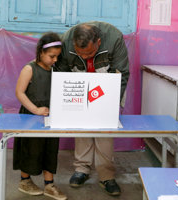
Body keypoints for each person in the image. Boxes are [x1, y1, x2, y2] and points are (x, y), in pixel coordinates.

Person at [54, 21, 130, 196]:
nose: (86, 57)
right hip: (79, 84)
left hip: (107, 84)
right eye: (80, 53)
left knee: (105, 129)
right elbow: (60, 72)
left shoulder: (114, 37)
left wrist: (110, 103)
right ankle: (82, 169)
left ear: (99, 42)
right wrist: (66, 100)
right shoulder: (66, 40)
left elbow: (122, 72)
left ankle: (106, 175)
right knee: (82, 126)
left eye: (89, 53)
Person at [13, 32, 67, 200]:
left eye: (57, 57)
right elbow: (19, 93)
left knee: (50, 150)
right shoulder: (29, 68)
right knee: (30, 149)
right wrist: (35, 109)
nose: (55, 60)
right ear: (41, 52)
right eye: (52, 56)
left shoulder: (54, 70)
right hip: (30, 116)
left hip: (50, 117)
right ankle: (25, 181)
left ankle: (49, 185)